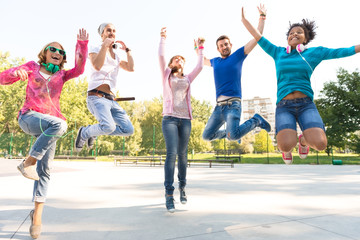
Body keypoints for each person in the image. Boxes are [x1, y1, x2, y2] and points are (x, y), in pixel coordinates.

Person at [0, 29, 88, 239]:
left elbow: (81, 68)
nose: (57, 52)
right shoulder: (32, 67)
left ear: (62, 58)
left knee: (46, 170)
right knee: (61, 125)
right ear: (45, 53)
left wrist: (82, 44)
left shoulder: (62, 74)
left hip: (50, 126)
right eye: (53, 49)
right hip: (29, 117)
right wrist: (15, 73)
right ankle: (28, 162)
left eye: (61, 51)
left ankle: (37, 217)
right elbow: (2, 78)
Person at [241, 8, 360, 164]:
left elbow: (342, 51)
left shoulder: (314, 53)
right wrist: (251, 19)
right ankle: (289, 148)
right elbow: (258, 36)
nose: (294, 34)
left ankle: (303, 141)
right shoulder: (278, 52)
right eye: (291, 33)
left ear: (305, 39)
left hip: (306, 105)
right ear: (287, 39)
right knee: (284, 146)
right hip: (284, 106)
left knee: (321, 144)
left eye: (299, 32)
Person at [202, 4, 271, 144]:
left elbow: (257, 38)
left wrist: (262, 18)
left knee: (234, 136)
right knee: (207, 136)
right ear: (218, 49)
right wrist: (199, 47)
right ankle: (232, 133)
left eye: (226, 44)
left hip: (233, 105)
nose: (224, 47)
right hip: (218, 107)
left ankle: (256, 120)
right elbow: (202, 60)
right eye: (221, 45)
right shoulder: (215, 61)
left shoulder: (238, 55)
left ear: (230, 45)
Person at [159, 27, 204, 213]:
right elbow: (160, 57)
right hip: (169, 118)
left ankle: (182, 187)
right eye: (176, 59)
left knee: (183, 155)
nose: (180, 61)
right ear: (171, 63)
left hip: (185, 119)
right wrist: (163, 39)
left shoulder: (187, 78)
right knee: (172, 154)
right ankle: (169, 194)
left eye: (182, 60)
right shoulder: (166, 75)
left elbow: (200, 66)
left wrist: (200, 49)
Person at [75, 23, 134, 152]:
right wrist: (104, 46)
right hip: (96, 97)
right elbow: (97, 65)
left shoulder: (117, 57)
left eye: (114, 30)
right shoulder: (95, 47)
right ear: (102, 34)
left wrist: (128, 51)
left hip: (111, 100)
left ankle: (94, 132)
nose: (111, 33)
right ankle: (85, 132)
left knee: (128, 129)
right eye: (108, 30)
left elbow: (131, 68)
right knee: (108, 127)